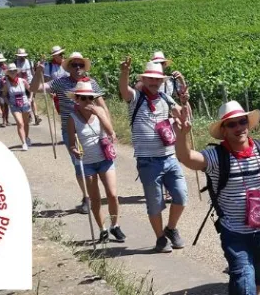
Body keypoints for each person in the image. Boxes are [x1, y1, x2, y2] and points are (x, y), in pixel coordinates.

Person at [174, 100, 260, 295]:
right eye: (232, 124)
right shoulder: (216, 156)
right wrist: (182, 135)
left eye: (242, 122)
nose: (239, 127)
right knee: (243, 279)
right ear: (223, 130)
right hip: (234, 232)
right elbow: (187, 158)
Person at [118, 56, 189, 253]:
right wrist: (124, 73)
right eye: (150, 78)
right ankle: (160, 238)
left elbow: (182, 115)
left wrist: (184, 103)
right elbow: (124, 90)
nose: (154, 82)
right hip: (147, 160)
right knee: (155, 203)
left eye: (157, 79)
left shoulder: (166, 99)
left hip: (169, 156)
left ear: (161, 81)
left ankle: (171, 228)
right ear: (144, 79)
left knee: (181, 196)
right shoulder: (136, 98)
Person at [30, 51, 112, 215]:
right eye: (74, 65)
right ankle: (87, 197)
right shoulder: (60, 82)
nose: (77, 68)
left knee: (99, 162)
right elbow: (35, 88)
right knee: (79, 164)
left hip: (93, 130)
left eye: (80, 64)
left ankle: (98, 195)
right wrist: (38, 72)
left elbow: (103, 106)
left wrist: (109, 129)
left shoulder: (91, 83)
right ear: (69, 67)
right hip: (71, 131)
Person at [66, 81, 126, 243]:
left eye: (90, 98)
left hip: (104, 159)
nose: (87, 102)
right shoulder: (72, 118)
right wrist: (74, 150)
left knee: (112, 195)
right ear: (77, 99)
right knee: (96, 199)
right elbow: (71, 143)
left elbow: (111, 133)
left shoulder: (99, 112)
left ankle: (115, 225)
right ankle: (102, 229)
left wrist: (99, 114)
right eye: (83, 99)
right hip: (87, 163)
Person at [135, 51, 189, 203]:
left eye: (162, 63)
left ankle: (169, 188)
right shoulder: (143, 84)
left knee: (168, 148)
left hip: (168, 116)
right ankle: (164, 188)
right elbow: (137, 91)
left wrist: (182, 80)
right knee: (160, 147)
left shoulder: (170, 81)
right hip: (155, 116)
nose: (161, 65)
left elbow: (181, 94)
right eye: (158, 63)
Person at [2, 63, 33, 150]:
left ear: (16, 72)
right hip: (14, 105)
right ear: (8, 72)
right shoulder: (6, 83)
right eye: (10, 71)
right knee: (20, 123)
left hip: (25, 104)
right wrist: (8, 103)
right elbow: (4, 94)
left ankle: (26, 138)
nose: (12, 72)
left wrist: (30, 99)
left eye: (14, 71)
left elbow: (31, 90)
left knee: (26, 123)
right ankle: (23, 143)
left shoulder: (22, 81)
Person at [15, 48, 42, 126]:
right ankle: (29, 115)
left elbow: (33, 72)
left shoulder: (30, 62)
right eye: (20, 56)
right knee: (26, 100)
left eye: (23, 56)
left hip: (30, 83)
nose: (22, 57)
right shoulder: (15, 63)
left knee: (32, 99)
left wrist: (36, 80)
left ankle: (36, 116)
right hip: (20, 83)